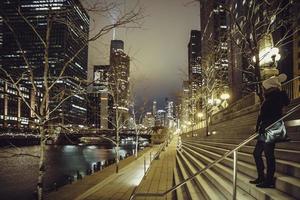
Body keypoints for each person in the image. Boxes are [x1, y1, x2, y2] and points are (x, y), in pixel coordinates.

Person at [250, 74, 290, 188]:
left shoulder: (277, 95)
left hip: (272, 128)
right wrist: (258, 127)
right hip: (264, 129)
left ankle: (269, 180)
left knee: (269, 154)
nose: (263, 89)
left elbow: (286, 102)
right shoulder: (268, 97)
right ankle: (261, 176)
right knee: (256, 153)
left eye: (265, 87)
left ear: (270, 87)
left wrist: (281, 90)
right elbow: (262, 115)